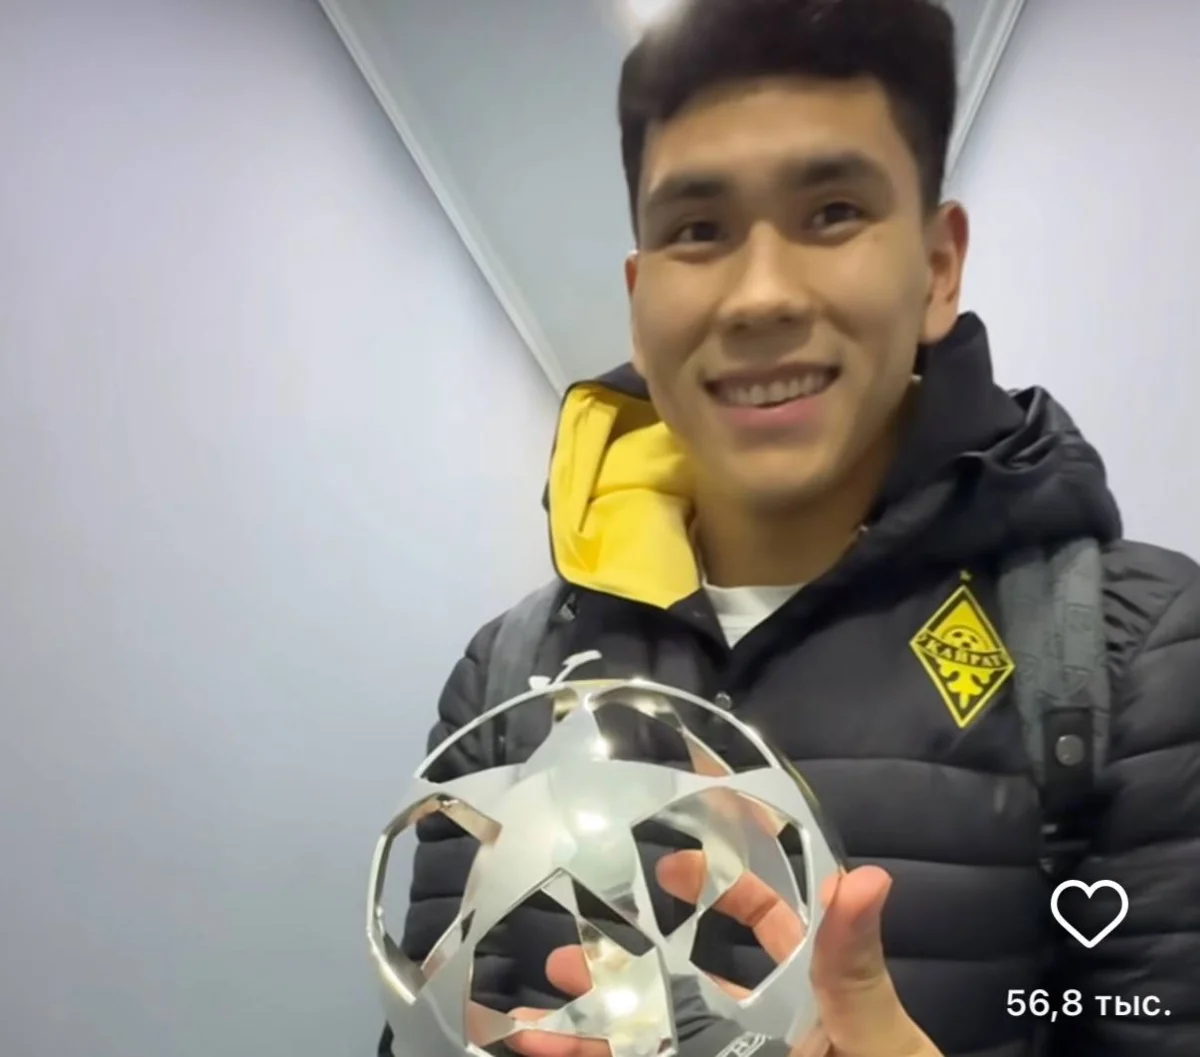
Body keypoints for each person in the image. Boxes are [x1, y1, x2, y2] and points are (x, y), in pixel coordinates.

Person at [384, 1, 1200, 1055]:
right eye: (698, 230)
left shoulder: (1136, 656)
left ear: (938, 268)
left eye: (833, 212)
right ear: (640, 299)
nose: (761, 296)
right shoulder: (504, 679)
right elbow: (426, 1026)